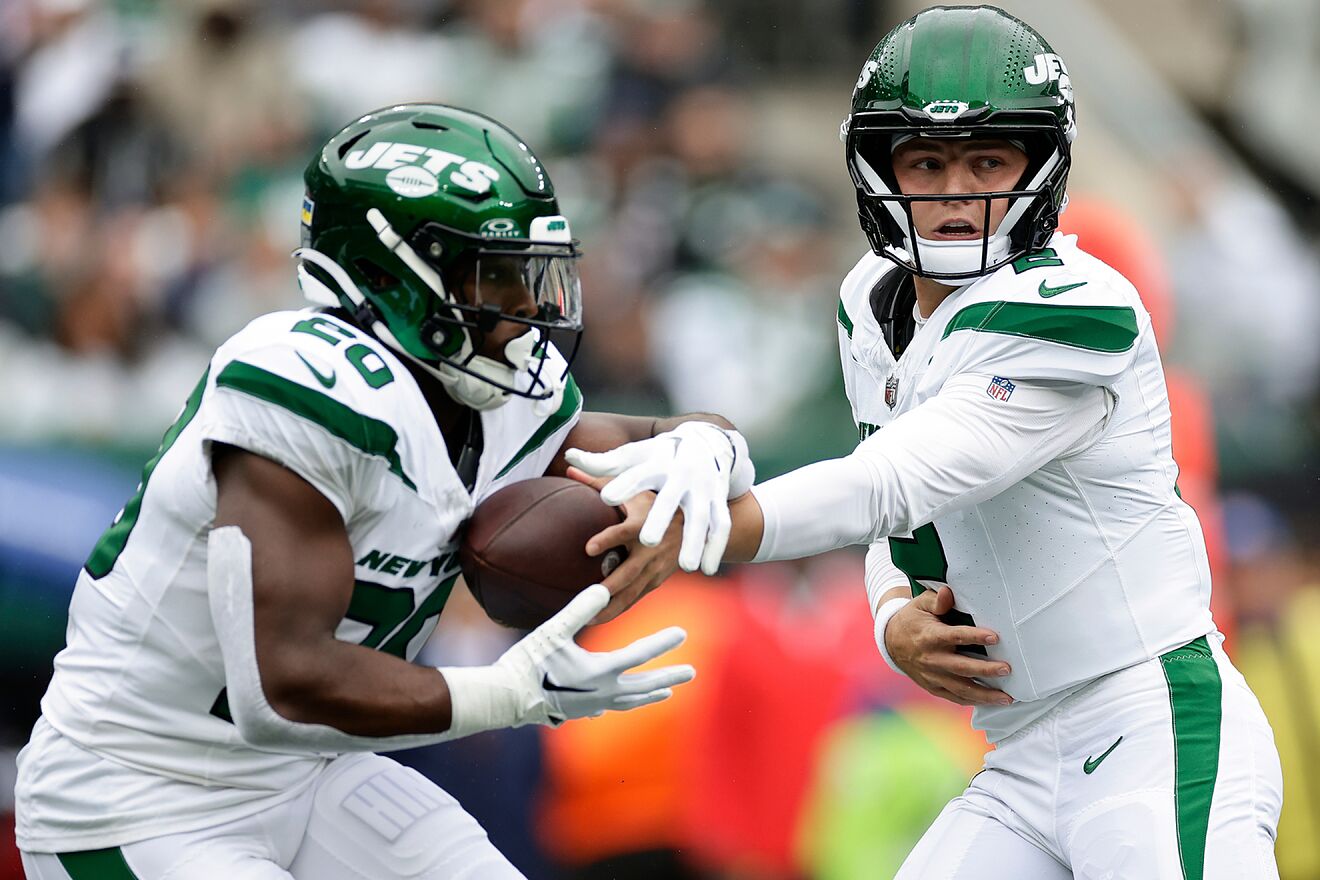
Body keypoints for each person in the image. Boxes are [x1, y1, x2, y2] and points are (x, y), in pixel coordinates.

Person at [571, 7, 1284, 877]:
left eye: (988, 158)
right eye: (928, 159)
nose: (957, 189)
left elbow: (894, 480)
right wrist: (886, 616)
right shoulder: (871, 300)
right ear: (880, 169)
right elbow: (904, 524)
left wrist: (704, 526)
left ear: (1042, 166)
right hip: (1020, 750)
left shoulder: (1074, 307)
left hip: (1151, 725)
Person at [14, 104, 756, 879]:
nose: (530, 307)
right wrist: (505, 692)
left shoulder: (501, 390)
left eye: (529, 274)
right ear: (389, 271)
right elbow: (283, 685)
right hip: (140, 790)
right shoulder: (301, 384)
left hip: (314, 774)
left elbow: (659, 437)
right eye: (493, 274)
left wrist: (709, 451)